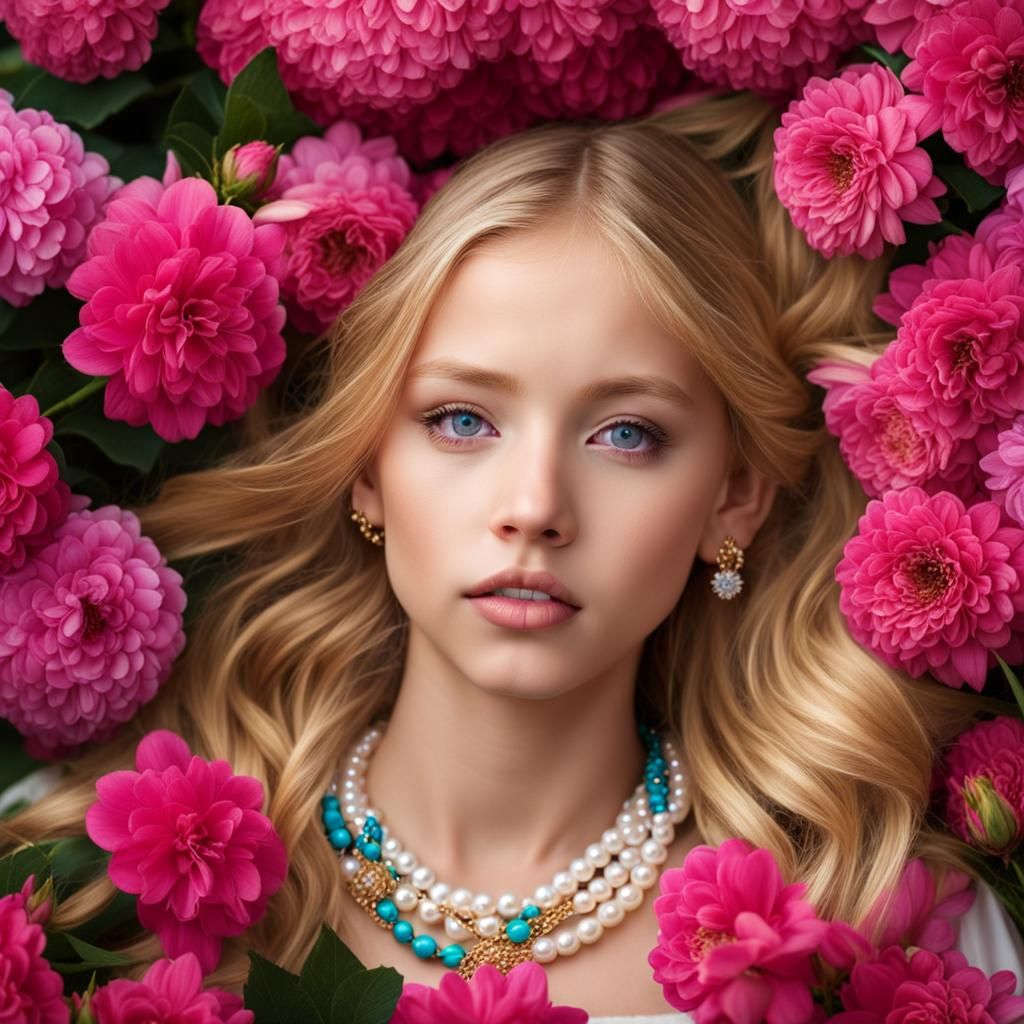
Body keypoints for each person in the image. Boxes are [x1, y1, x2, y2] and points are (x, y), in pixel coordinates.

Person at [3, 91, 1023, 1019]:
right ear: (366, 466)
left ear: (735, 497)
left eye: (626, 433)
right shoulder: (93, 893)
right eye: (460, 419)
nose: (533, 507)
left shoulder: (893, 936)